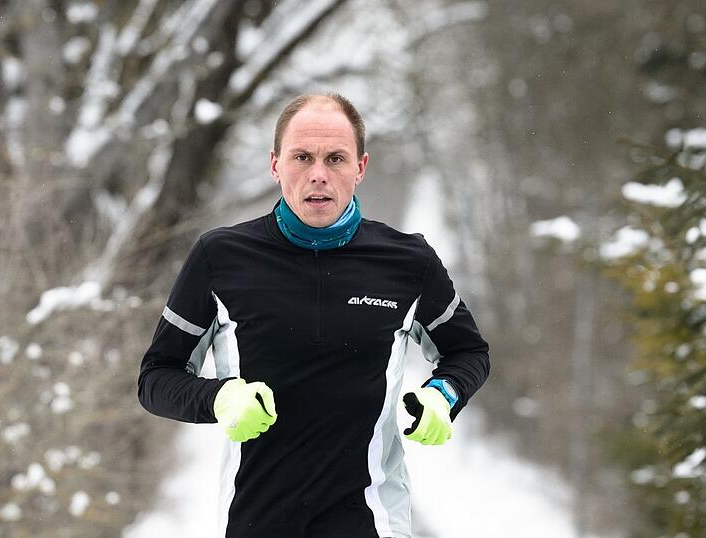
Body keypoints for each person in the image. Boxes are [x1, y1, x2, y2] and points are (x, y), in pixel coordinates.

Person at [137, 93, 490, 538]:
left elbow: (468, 352)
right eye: (302, 157)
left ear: (360, 167)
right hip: (256, 521)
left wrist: (444, 394)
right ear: (275, 165)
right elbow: (155, 378)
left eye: (335, 158)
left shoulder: (408, 262)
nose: (318, 175)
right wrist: (219, 398)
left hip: (372, 523)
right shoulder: (219, 257)